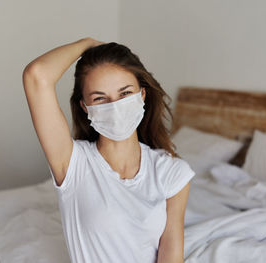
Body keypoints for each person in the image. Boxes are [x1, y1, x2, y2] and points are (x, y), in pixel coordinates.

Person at [22, 37, 196, 263]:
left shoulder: (172, 172)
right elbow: (36, 75)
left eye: (124, 94)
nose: (114, 106)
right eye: (100, 98)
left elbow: (171, 254)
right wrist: (86, 44)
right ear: (85, 107)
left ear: (142, 95)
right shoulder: (73, 163)